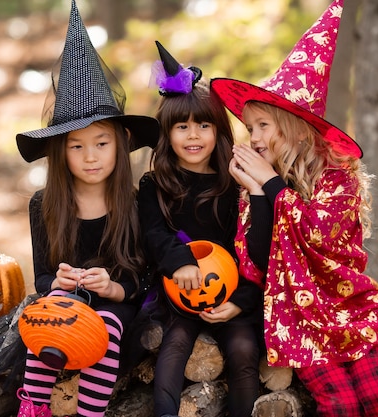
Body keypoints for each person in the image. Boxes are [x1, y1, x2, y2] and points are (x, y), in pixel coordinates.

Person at [210, 0, 378, 416]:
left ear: (294, 130)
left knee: (377, 396)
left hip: (347, 310)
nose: (252, 137)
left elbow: (321, 234)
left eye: (262, 126)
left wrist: (270, 186)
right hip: (299, 321)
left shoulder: (338, 178)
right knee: (338, 403)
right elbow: (255, 262)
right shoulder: (264, 186)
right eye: (250, 128)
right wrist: (256, 192)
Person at [13, 2, 159, 416]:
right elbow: (42, 275)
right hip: (67, 306)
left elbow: (145, 274)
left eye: (101, 143)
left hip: (118, 309)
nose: (90, 157)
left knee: (108, 325)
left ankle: (89, 413)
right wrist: (55, 284)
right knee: (41, 315)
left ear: (122, 142)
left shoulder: (135, 201)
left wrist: (112, 287)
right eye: (76, 146)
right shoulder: (44, 204)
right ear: (60, 153)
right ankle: (35, 406)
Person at [138, 41, 263, 417]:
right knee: (173, 348)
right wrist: (180, 263)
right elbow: (154, 233)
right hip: (177, 295)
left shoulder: (235, 183)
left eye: (203, 125)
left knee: (243, 350)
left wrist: (238, 301)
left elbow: (252, 248)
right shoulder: (154, 184)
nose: (193, 136)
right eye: (182, 127)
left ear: (218, 130)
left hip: (232, 294)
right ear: (167, 133)